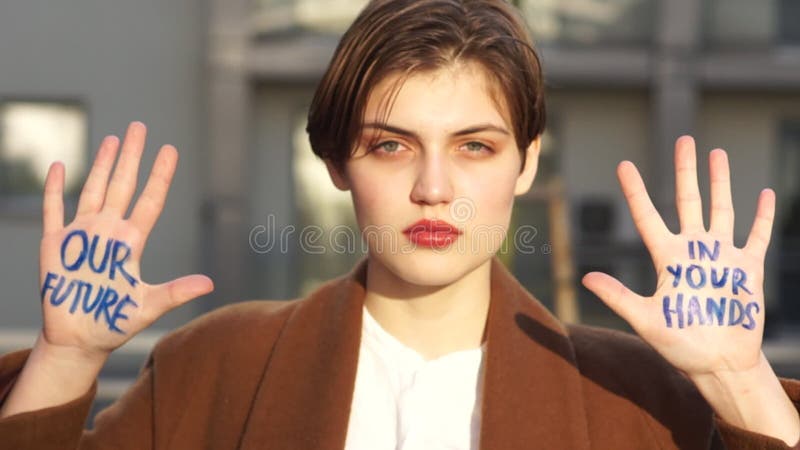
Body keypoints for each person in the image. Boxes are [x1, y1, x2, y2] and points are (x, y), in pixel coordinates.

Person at [1, 0, 799, 448]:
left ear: (525, 165)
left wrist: (739, 382)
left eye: (475, 146)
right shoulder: (211, 368)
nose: (433, 186)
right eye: (391, 145)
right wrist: (66, 360)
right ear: (338, 163)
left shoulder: (642, 400)